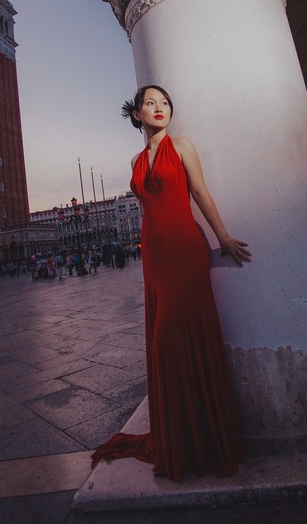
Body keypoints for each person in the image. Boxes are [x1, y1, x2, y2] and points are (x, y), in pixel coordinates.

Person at [91, 85, 250, 481]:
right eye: (151, 103)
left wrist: (223, 236)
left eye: (164, 103)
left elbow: (199, 191)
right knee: (165, 348)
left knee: (174, 338)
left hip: (184, 249)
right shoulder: (134, 159)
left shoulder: (182, 145)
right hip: (154, 257)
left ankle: (205, 440)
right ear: (137, 114)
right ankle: (181, 438)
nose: (159, 108)